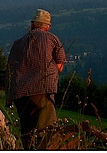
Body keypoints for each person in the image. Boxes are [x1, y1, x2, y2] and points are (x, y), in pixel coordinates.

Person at [6, 8, 66, 149]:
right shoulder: (52, 38)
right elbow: (59, 64)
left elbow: (10, 69)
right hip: (41, 91)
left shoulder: (17, 43)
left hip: (19, 93)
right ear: (48, 26)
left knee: (26, 131)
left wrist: (9, 96)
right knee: (46, 131)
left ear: (32, 24)